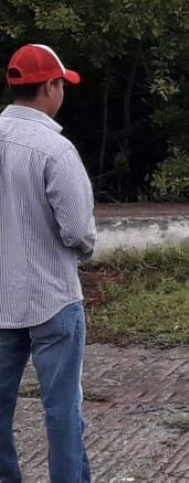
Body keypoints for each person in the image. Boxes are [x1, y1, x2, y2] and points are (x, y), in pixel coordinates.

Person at [0, 44, 95, 483]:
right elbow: (78, 231)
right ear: (51, 87)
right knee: (61, 411)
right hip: (52, 298)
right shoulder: (55, 150)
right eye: (62, 84)